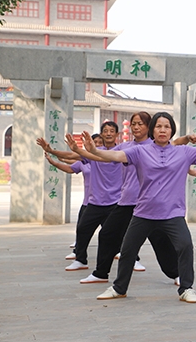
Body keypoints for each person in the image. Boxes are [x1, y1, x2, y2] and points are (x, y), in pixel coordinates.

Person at [78, 112, 196, 303]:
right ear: (153, 130)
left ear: (172, 130)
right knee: (127, 250)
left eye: (166, 126)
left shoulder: (183, 151)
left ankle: (186, 288)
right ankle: (119, 288)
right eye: (158, 126)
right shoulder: (140, 151)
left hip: (172, 214)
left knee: (185, 246)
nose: (163, 130)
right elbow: (115, 155)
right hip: (143, 213)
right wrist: (94, 150)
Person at [66, 112, 189, 284]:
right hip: (126, 201)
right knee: (107, 234)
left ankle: (176, 274)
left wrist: (187, 138)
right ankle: (101, 273)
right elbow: (103, 157)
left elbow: (177, 146)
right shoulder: (126, 147)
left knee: (161, 241)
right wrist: (81, 150)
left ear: (149, 127)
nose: (136, 127)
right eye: (134, 124)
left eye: (140, 124)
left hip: (149, 205)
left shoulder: (156, 146)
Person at [40, 121, 122, 271]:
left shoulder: (122, 152)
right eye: (105, 131)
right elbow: (72, 155)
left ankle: (128, 259)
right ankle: (81, 260)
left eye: (112, 131)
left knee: (113, 235)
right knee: (83, 229)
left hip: (115, 203)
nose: (109, 133)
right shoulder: (93, 154)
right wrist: (51, 151)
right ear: (102, 134)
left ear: (117, 134)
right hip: (95, 202)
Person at [41, 135, 100, 261]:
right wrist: (53, 159)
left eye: (100, 143)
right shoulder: (85, 160)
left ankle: (127, 256)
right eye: (95, 142)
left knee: (115, 231)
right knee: (82, 229)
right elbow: (70, 162)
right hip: (89, 201)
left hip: (110, 202)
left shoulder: (109, 158)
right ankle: (79, 255)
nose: (97, 145)